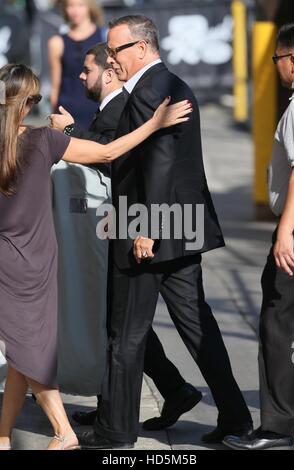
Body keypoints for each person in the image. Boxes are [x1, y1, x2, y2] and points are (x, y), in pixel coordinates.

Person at [78, 15, 253, 451]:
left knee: (126, 332)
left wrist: (146, 231)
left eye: (115, 50)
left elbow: (157, 165)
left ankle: (114, 434)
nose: (110, 59)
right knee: (197, 328)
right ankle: (236, 417)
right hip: (181, 226)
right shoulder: (169, 85)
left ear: (141, 48)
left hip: (149, 227)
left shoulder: (150, 90)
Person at [0, 63, 191, 451]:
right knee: (24, 353)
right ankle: (3, 437)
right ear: (28, 103)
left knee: (24, 350)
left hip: (7, 261)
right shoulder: (44, 140)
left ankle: (63, 432)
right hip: (39, 259)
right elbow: (108, 151)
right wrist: (154, 125)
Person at [50, 41, 203, 429]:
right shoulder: (115, 106)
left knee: (126, 325)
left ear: (109, 71)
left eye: (87, 70)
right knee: (124, 322)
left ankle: (130, 412)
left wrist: (67, 133)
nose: (80, 76)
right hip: (123, 224)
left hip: (131, 225)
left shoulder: (125, 105)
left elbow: (110, 155)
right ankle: (147, 398)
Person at [224, 23, 294, 451]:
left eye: (276, 60)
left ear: (292, 59)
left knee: (280, 323)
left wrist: (285, 233)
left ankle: (275, 428)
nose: (277, 68)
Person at [48, 0, 106, 128]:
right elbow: (55, 85)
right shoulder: (57, 42)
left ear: (90, 6)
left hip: (97, 110)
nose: (75, 10)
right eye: (70, 6)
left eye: (80, 5)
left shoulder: (104, 37)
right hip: (66, 111)